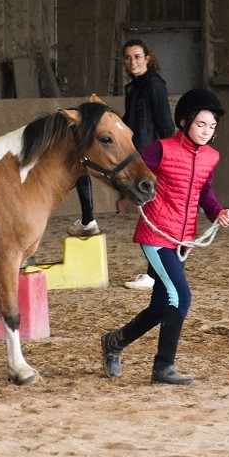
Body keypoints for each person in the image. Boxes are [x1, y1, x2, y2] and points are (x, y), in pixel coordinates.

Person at [101, 89, 229, 385]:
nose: (206, 131)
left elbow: (205, 192)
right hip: (156, 234)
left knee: (161, 306)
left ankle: (115, 341)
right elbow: (129, 169)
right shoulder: (160, 149)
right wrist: (129, 196)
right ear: (184, 121)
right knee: (182, 297)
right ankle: (163, 367)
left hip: (183, 240)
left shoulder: (211, 157)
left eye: (212, 127)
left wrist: (217, 212)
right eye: (201, 124)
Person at [67, 40, 176, 292]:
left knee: (152, 218)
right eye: (128, 58)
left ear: (147, 58)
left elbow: (166, 125)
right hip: (133, 152)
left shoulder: (154, 86)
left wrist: (166, 160)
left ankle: (154, 274)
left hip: (148, 156)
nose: (132, 62)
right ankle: (88, 220)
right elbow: (128, 123)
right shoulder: (133, 87)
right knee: (84, 164)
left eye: (137, 57)